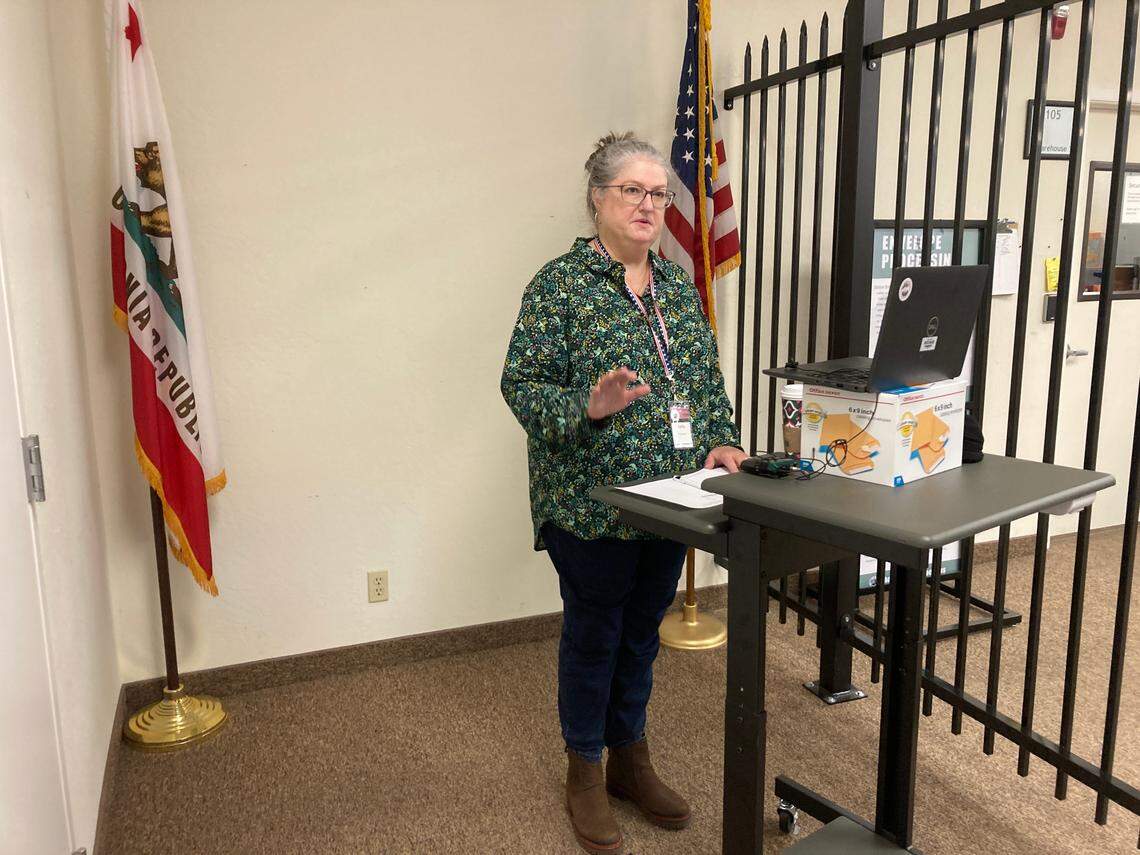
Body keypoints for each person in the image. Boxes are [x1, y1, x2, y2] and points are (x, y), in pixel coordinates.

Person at [500, 131, 746, 854]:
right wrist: (589, 404)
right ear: (597, 199)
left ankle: (630, 759)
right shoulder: (559, 285)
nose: (648, 204)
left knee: (642, 632)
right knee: (595, 633)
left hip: (671, 498)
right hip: (590, 501)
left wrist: (721, 437)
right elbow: (521, 384)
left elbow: (703, 380)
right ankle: (585, 769)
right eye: (632, 191)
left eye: (658, 192)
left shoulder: (674, 284)